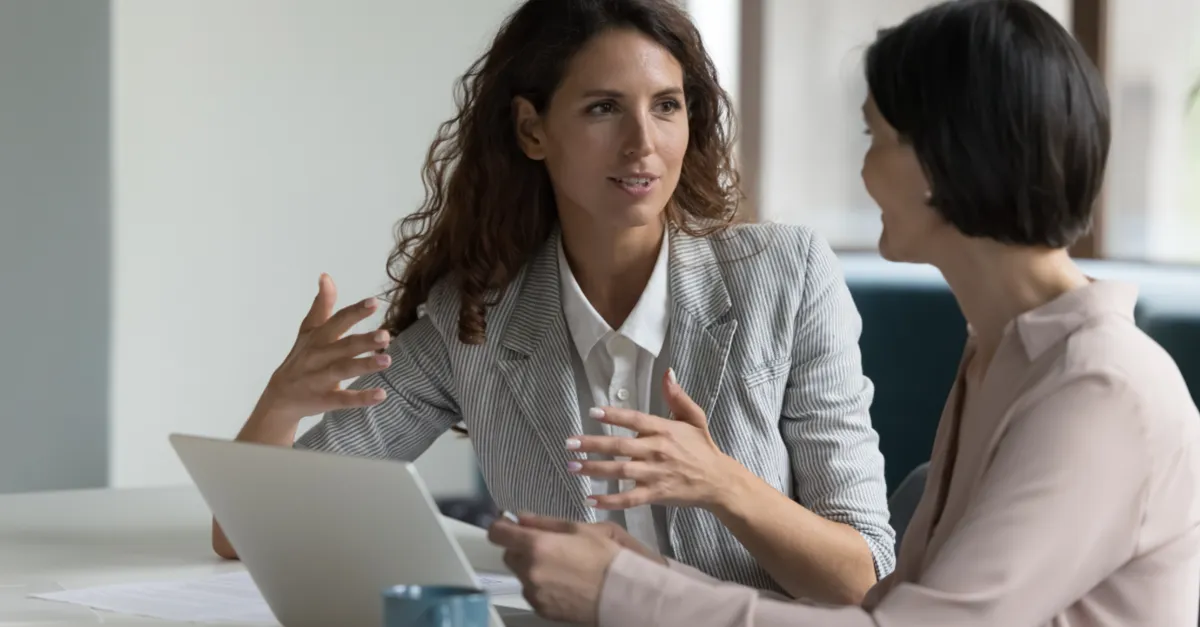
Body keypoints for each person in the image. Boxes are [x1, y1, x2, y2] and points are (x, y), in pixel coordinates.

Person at [486, 0, 1200, 625]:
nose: (864, 172)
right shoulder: (1001, 354)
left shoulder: (1098, 388)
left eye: (875, 139)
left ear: (944, 162)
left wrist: (622, 592)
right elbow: (888, 605)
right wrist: (639, 572)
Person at [212, 0, 896, 603]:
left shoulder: (786, 275)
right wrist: (283, 401)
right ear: (532, 130)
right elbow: (248, 534)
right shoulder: (474, 318)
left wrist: (720, 482)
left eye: (666, 105)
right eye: (603, 108)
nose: (643, 144)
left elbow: (863, 577)